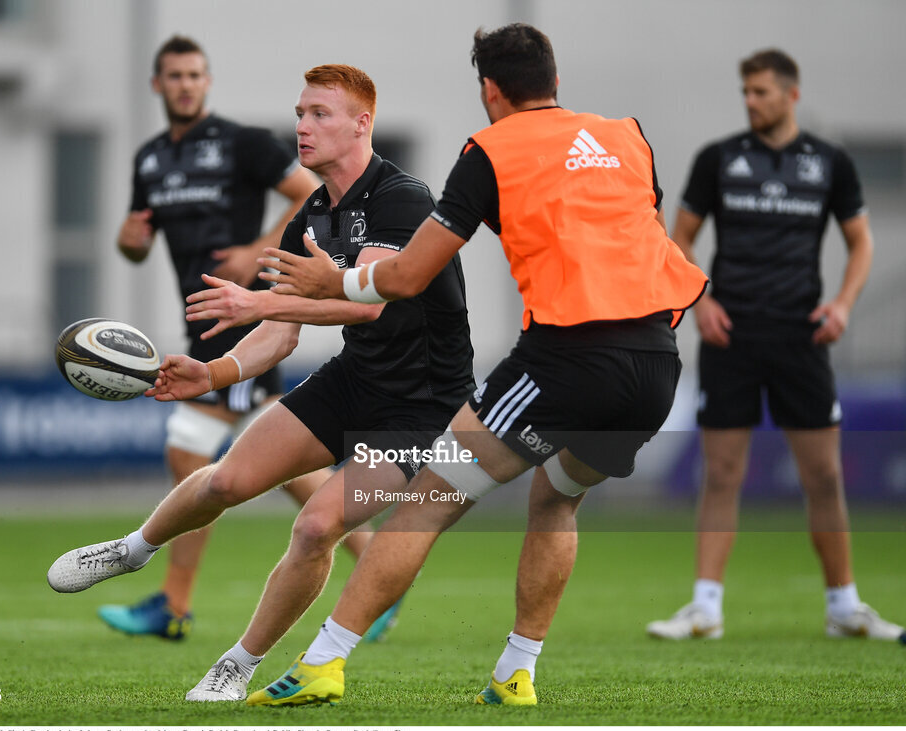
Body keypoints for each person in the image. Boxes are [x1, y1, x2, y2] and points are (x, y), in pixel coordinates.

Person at [245, 23, 708, 707]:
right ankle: (515, 672)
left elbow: (406, 276)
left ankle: (323, 660)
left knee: (427, 501)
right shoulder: (627, 137)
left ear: (491, 90)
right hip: (655, 364)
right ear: (553, 78)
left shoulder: (489, 150)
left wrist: (331, 283)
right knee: (557, 499)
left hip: (566, 356)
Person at [47, 64, 476, 702]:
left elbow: (369, 303)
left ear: (362, 124)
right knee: (226, 480)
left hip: (423, 405)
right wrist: (211, 373)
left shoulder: (401, 197)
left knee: (314, 525)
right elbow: (279, 331)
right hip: (356, 377)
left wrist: (256, 306)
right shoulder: (311, 213)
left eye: (320, 114)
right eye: (300, 113)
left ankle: (237, 664)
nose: (302, 126)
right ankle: (135, 549)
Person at [104, 35, 355, 641]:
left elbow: (305, 193)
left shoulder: (239, 143)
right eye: (175, 75)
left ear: (206, 82)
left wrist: (258, 251)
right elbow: (134, 243)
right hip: (201, 322)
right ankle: (377, 563)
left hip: (241, 320)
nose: (186, 84)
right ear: (157, 86)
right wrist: (128, 243)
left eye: (195, 74)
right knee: (257, 456)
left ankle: (174, 605)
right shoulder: (149, 161)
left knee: (200, 451)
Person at [646, 49, 902, 642]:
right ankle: (705, 609)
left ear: (790, 94)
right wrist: (701, 302)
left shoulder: (830, 163)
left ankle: (845, 608)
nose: (750, 101)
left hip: (802, 339)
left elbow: (860, 244)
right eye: (746, 92)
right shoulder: (720, 159)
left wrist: (841, 305)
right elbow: (677, 239)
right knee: (722, 474)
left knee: (825, 477)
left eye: (760, 91)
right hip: (731, 337)